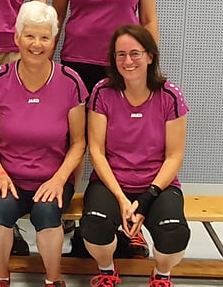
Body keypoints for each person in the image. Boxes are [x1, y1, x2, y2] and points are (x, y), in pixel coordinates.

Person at [52, 0, 159, 256]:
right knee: (74, 141)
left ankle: (127, 222)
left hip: (123, 67)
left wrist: (146, 66)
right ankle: (67, 216)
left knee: (118, 144)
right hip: (77, 62)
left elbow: (148, 19)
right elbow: (57, 14)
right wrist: (47, 61)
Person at [0, 2, 87, 287]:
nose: (36, 44)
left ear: (53, 41)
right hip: (9, 177)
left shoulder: (70, 81)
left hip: (53, 178)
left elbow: (79, 143)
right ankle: (1, 276)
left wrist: (59, 180)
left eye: (44, 37)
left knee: (46, 212)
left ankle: (54, 279)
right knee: (0, 211)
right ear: (17, 37)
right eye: (29, 36)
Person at [81, 25, 191, 287]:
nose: (127, 61)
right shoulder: (102, 92)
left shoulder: (170, 95)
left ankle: (161, 274)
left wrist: (145, 200)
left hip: (157, 186)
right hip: (111, 183)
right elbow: (96, 151)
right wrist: (121, 198)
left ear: (150, 56)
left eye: (135, 54)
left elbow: (174, 156)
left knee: (174, 233)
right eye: (120, 55)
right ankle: (107, 271)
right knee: (94, 225)